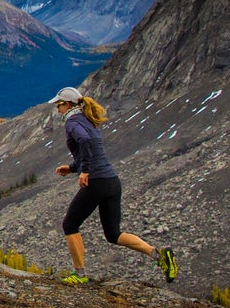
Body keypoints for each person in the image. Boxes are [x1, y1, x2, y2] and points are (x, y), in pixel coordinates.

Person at [50, 86, 176, 284]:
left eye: (59, 105)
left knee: (70, 224)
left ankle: (80, 275)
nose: (58, 110)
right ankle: (159, 256)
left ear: (67, 105)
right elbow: (92, 150)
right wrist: (73, 167)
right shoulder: (88, 121)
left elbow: (84, 142)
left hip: (97, 182)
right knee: (113, 233)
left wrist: (85, 171)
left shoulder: (73, 122)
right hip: (111, 181)